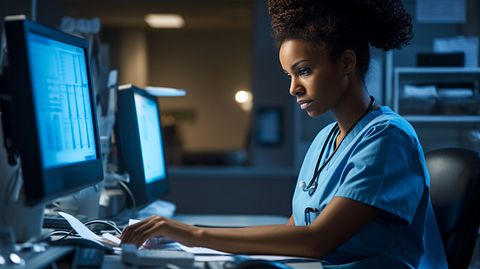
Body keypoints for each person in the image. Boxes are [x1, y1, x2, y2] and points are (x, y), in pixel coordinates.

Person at [121, 0, 448, 268]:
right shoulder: (325, 141)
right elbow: (295, 229)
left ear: (347, 62)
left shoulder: (387, 138)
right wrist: (197, 238)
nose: (293, 88)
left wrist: (193, 235)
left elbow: (317, 240)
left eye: (304, 70)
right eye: (289, 75)